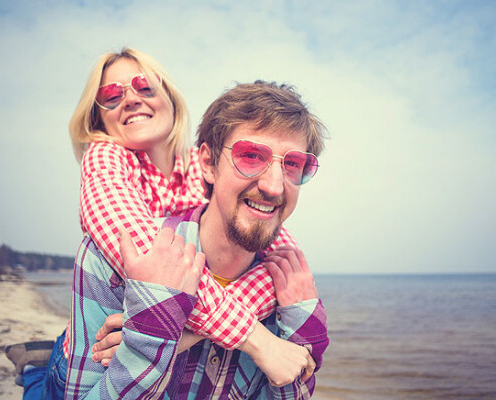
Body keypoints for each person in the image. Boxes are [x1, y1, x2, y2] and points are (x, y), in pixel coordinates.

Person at [5, 48, 309, 398]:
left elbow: (276, 247)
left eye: (144, 86)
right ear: (98, 118)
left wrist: (176, 334)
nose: (131, 99)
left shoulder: (198, 166)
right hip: (88, 349)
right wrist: (255, 338)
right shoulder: (105, 158)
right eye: (111, 95)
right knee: (47, 388)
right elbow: (150, 263)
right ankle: (38, 368)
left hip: (166, 322)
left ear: (170, 97)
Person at [65, 80, 329, 399]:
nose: (274, 186)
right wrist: (153, 339)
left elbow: (293, 383)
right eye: (250, 156)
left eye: (293, 164)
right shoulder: (108, 261)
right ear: (207, 163)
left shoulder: (289, 286)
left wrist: (305, 324)